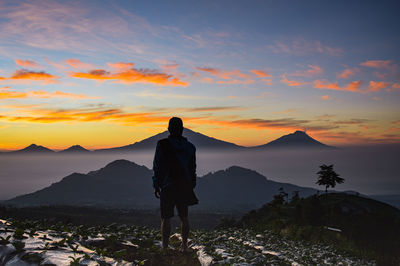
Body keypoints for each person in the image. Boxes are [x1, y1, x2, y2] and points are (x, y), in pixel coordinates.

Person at [152, 117, 197, 252]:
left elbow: (157, 165)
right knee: (184, 217)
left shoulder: (162, 145)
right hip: (184, 186)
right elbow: (192, 168)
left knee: (166, 218)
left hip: (168, 185)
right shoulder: (190, 147)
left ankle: (165, 248)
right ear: (182, 130)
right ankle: (184, 247)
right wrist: (192, 184)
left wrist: (156, 184)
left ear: (169, 129)